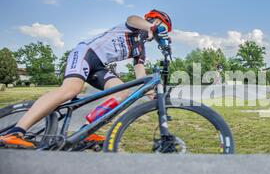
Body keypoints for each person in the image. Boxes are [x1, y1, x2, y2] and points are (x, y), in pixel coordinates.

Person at [0, 10, 173, 149]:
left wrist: (156, 97)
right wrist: (151, 27)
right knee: (71, 90)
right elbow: (133, 18)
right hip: (86, 53)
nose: (161, 32)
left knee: (122, 92)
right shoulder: (134, 25)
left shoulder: (140, 49)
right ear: (152, 20)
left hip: (99, 67)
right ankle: (16, 131)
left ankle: (86, 131)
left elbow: (141, 78)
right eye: (161, 26)